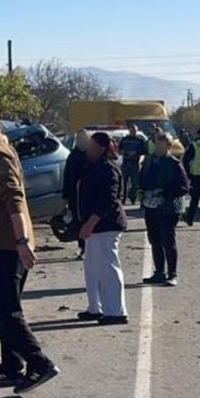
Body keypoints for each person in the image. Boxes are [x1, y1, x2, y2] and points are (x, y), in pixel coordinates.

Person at [0, 108, 58, 391]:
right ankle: (11, 366)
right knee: (3, 308)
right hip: (1, 242)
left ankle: (39, 363)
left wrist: (21, 241)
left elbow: (14, 199)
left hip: (9, 246)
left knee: (5, 309)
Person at [78, 132, 128, 324]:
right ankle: (95, 308)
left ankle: (116, 311)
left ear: (101, 149)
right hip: (94, 226)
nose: (88, 150)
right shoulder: (93, 167)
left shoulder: (108, 169)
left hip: (106, 225)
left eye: (91, 146)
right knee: (93, 268)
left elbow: (108, 200)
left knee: (108, 268)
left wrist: (91, 223)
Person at [140, 134, 190, 286]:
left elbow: (184, 187)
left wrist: (164, 192)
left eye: (161, 145)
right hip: (151, 207)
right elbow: (142, 180)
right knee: (155, 240)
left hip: (168, 209)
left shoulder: (174, 163)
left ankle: (172, 274)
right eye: (157, 144)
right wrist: (141, 192)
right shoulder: (149, 161)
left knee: (168, 241)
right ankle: (159, 273)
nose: (158, 148)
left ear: (168, 147)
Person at [62, 129, 90, 258]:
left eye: (83, 139)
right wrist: (66, 196)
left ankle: (89, 247)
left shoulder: (91, 155)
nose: (81, 141)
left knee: (87, 221)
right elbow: (67, 176)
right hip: (74, 195)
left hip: (88, 196)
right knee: (77, 222)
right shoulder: (73, 156)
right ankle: (82, 247)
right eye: (79, 139)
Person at [119, 121, 149, 205]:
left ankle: (133, 198)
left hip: (135, 163)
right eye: (131, 130)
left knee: (134, 183)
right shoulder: (125, 139)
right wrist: (124, 152)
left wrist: (136, 153)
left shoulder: (140, 140)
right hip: (126, 163)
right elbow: (120, 149)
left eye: (134, 131)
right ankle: (123, 199)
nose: (133, 132)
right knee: (123, 183)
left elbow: (144, 151)